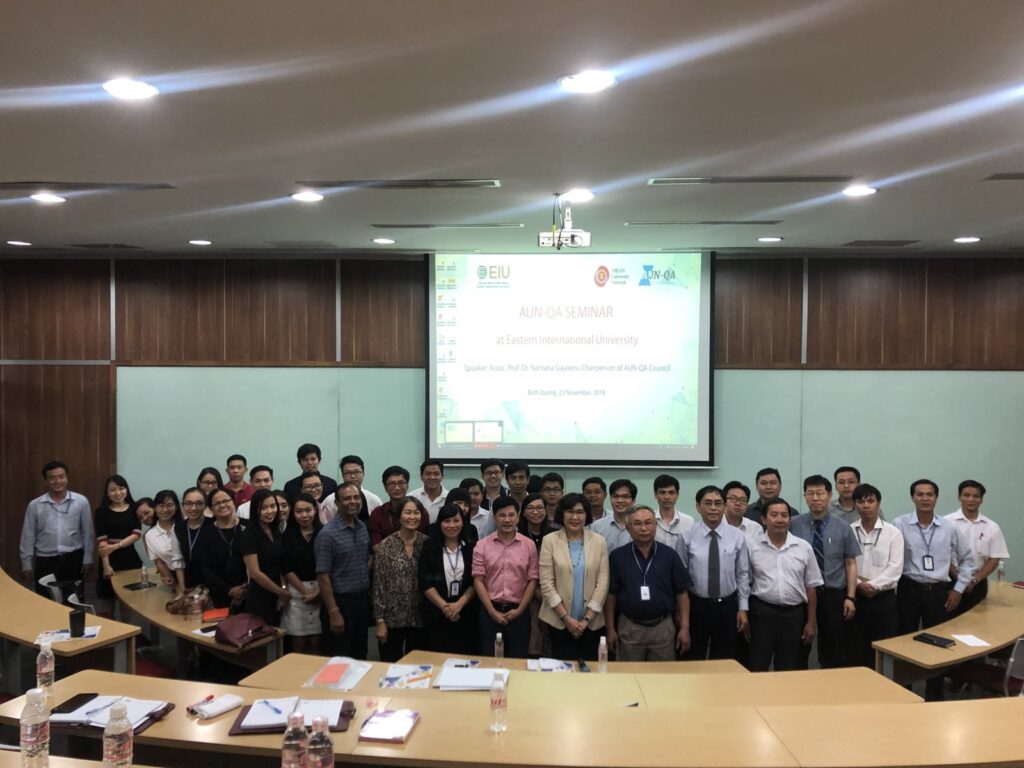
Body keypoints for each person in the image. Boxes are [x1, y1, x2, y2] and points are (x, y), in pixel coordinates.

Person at [893, 479, 975, 700]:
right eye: (920, 494)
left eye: (929, 494)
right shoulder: (899, 524)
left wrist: (958, 589)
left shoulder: (950, 527)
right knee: (904, 641)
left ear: (936, 498)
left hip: (939, 591)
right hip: (908, 588)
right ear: (913, 497)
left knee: (938, 642)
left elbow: (968, 560)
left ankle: (935, 692)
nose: (925, 498)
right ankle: (905, 692)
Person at [788, 475, 860, 668]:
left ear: (829, 495)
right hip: (802, 595)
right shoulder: (793, 524)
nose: (815, 498)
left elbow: (850, 563)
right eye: (810, 493)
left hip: (833, 595)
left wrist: (850, 597)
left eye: (820, 493)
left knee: (833, 648)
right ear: (805, 496)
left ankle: (831, 683)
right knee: (799, 646)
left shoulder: (843, 527)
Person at [604, 505, 692, 661]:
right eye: (637, 524)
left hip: (663, 628)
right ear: (628, 528)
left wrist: (685, 628)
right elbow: (611, 595)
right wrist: (610, 629)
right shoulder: (618, 557)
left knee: (662, 674)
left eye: (648, 523)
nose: (643, 528)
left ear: (655, 526)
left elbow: (682, 594)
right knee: (630, 674)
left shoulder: (670, 555)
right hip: (630, 628)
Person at [747, 498, 823, 672]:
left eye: (784, 515)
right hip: (761, 613)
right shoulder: (752, 547)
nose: (779, 519)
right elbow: (746, 582)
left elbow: (811, 586)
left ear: (789, 519)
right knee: (757, 664)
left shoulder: (803, 547)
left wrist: (811, 622)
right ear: (764, 519)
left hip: (793, 615)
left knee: (789, 667)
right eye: (774, 515)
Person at [679, 486, 750, 661]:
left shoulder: (737, 536)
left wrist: (743, 608)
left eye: (718, 503)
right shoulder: (687, 536)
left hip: (727, 606)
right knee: (693, 657)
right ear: (698, 507)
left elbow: (742, 574)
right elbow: (681, 577)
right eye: (708, 503)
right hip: (697, 606)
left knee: (724, 659)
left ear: (724, 506)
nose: (713, 508)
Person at [539, 493, 609, 661]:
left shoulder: (599, 541)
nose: (575, 517)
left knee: (590, 670)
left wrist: (587, 619)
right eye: (570, 511)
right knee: (561, 670)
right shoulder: (549, 541)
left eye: (580, 512)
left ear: (587, 515)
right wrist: (566, 618)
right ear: (561, 514)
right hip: (558, 621)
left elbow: (603, 582)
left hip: (591, 623)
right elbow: (547, 583)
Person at [472, 496, 538, 658]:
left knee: (518, 660)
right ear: (494, 518)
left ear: (518, 517)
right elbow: (478, 580)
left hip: (519, 612)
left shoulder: (529, 545)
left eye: (511, 515)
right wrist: (492, 611)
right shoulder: (482, 545)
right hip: (489, 611)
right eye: (502, 515)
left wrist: (520, 610)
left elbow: (532, 580)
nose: (507, 520)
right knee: (490, 659)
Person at [316, 482, 373, 659]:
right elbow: (323, 577)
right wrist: (334, 612)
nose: (353, 502)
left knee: (360, 656)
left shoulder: (362, 527)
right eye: (347, 498)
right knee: (338, 660)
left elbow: (366, 560)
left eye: (356, 497)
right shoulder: (327, 534)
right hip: (340, 604)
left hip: (361, 603)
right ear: (337, 503)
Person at [849, 484, 903, 668]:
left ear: (878, 503)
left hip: (883, 599)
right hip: (855, 597)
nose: (866, 505)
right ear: (855, 505)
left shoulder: (893, 533)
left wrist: (873, 586)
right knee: (855, 648)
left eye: (870, 501)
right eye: (860, 501)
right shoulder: (848, 531)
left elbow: (895, 568)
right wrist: (858, 585)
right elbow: (844, 564)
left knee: (884, 648)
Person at [373, 496, 429, 661]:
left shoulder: (427, 544)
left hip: (420, 618)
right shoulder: (386, 546)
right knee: (391, 666)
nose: (412, 517)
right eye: (408, 512)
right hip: (392, 619)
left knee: (418, 667)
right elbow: (379, 585)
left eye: (416, 513)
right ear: (399, 516)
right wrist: (379, 620)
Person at [419, 504, 478, 654]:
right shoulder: (430, 547)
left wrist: (459, 605)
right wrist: (446, 608)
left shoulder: (471, 547)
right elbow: (425, 582)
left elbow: (475, 581)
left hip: (465, 613)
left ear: (463, 522)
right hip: (437, 613)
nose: (452, 525)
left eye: (456, 520)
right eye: (446, 521)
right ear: (439, 524)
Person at [944, 480, 1009, 613]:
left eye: (976, 496)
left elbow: (994, 559)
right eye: (966, 495)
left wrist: (974, 581)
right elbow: (942, 554)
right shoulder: (945, 523)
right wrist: (960, 579)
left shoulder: (992, 527)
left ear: (981, 500)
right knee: (948, 622)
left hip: (977, 583)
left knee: (976, 622)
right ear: (959, 497)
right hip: (950, 581)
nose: (971, 499)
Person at [191, 487, 247, 610]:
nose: (222, 505)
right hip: (219, 595)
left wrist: (245, 588)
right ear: (210, 508)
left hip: (250, 592)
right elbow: (204, 569)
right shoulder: (205, 534)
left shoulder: (248, 526)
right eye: (217, 503)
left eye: (226, 501)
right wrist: (229, 590)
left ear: (233, 502)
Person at [281, 493, 323, 653]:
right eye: (299, 511)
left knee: (316, 643)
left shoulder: (324, 532)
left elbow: (330, 565)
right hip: (296, 593)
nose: (304, 515)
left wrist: (318, 593)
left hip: (322, 590)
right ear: (293, 513)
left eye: (308, 510)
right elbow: (286, 568)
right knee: (298, 642)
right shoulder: (287, 536)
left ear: (315, 510)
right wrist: (305, 592)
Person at [240, 489, 289, 626]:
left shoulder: (275, 530)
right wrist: (281, 592)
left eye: (273, 506)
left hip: (278, 592)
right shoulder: (249, 534)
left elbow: (280, 564)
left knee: (278, 633)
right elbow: (255, 573)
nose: (270, 511)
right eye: (263, 508)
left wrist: (283, 589)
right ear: (255, 510)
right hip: (259, 595)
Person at [94, 474, 142, 599]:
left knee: (129, 598)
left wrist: (115, 546)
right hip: (109, 559)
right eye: (113, 490)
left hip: (130, 558)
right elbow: (102, 542)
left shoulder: (134, 508)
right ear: (107, 492)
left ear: (127, 489)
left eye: (121, 488)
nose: (118, 493)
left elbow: (136, 534)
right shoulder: (101, 511)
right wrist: (106, 566)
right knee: (107, 599)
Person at [518, 492, 553, 656]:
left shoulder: (555, 534)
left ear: (546, 511)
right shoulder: (517, 535)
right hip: (523, 594)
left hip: (549, 594)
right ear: (524, 512)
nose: (535, 512)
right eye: (530, 508)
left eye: (539, 508)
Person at [368, 465, 429, 547]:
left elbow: (425, 543)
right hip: (385, 555)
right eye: (392, 484)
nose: (397, 488)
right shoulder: (377, 513)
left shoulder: (420, 512)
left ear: (407, 485)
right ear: (385, 487)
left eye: (401, 483)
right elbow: (376, 545)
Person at [144, 489, 186, 594]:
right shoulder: (150, 535)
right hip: (174, 578)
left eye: (169, 505)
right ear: (155, 508)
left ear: (176, 507)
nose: (165, 509)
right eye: (161, 506)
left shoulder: (186, 525)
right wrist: (175, 585)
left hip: (196, 574)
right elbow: (159, 561)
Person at [175, 486, 213, 588]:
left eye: (199, 503)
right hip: (189, 583)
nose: (193, 508)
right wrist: (183, 589)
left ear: (205, 505)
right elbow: (178, 560)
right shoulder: (178, 528)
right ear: (183, 505)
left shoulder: (213, 525)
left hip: (213, 584)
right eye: (188, 503)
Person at [590, 479, 635, 552]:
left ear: (633, 500)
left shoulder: (641, 526)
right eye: (615, 496)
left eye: (625, 496)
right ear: (610, 498)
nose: (620, 500)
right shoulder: (597, 526)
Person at [652, 474, 694, 548]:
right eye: (662, 492)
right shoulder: (649, 520)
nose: (667, 497)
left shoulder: (688, 521)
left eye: (671, 493)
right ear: (655, 494)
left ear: (677, 495)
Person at [341, 455, 383, 520]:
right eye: (348, 473)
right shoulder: (331, 500)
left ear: (363, 474)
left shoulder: (374, 500)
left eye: (356, 472)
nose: (353, 476)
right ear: (342, 476)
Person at [134, 497, 156, 570]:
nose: (145, 518)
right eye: (140, 518)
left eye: (146, 513)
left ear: (155, 508)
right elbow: (156, 561)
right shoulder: (146, 537)